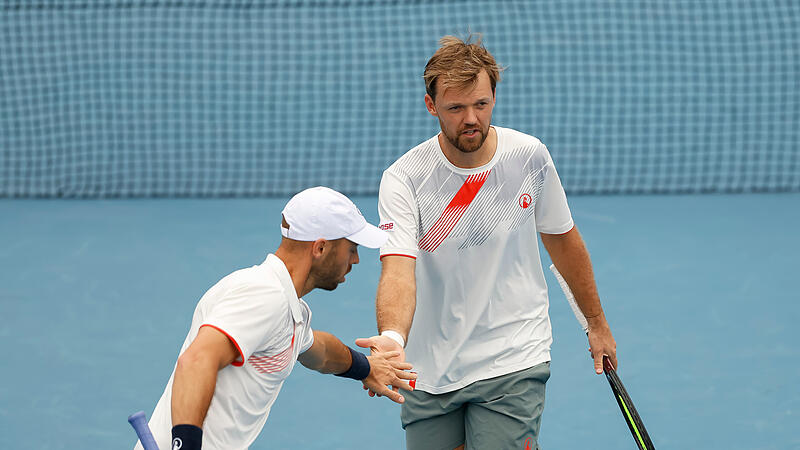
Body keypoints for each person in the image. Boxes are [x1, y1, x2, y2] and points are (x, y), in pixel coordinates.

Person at [359, 35, 617, 449]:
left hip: (512, 357)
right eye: (456, 108)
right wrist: (391, 339)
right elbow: (398, 269)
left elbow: (564, 242)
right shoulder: (404, 178)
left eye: (480, 104)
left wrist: (597, 323)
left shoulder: (528, 157)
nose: (471, 118)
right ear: (431, 107)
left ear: (493, 97)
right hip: (427, 368)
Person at [135, 186, 416, 450]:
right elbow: (196, 361)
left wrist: (366, 368)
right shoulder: (264, 296)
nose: (355, 260)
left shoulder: (287, 306)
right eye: (351, 248)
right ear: (319, 248)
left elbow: (321, 352)